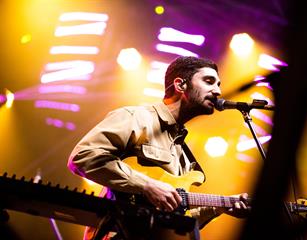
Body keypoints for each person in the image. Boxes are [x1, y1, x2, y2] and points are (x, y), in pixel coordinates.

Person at [67, 56, 250, 239]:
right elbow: (84, 156)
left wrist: (219, 208)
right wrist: (146, 185)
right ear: (180, 85)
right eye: (209, 81)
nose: (218, 91)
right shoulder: (136, 117)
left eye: (218, 84)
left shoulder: (183, 155)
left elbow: (175, 219)